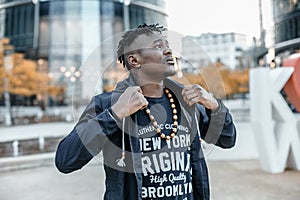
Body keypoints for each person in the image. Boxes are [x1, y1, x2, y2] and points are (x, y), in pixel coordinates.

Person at [55, 23, 236, 200]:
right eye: (158, 46)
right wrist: (114, 114)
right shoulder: (107, 105)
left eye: (168, 46)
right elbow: (65, 160)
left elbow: (227, 139)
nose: (168, 51)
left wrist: (214, 105)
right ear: (134, 60)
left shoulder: (187, 102)